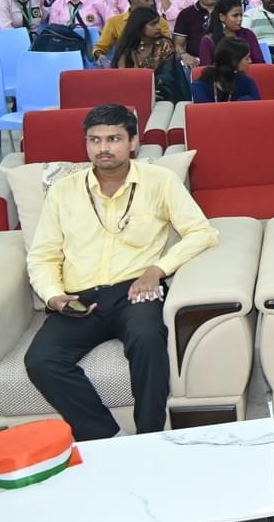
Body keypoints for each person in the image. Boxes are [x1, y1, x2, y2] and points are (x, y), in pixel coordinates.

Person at [23, 104, 219, 440]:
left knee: (147, 339)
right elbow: (42, 255)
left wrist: (158, 269)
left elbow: (203, 232)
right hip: (78, 297)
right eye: (94, 140)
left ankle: (150, 437)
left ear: (133, 142)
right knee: (41, 360)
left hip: (136, 290)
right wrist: (54, 296)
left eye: (113, 138)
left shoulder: (159, 181)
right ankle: (108, 438)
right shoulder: (63, 191)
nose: (103, 148)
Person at [198, 0, 263, 66]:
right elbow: (206, 70)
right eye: (235, 16)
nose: (240, 19)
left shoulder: (248, 34)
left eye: (241, 15)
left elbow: (259, 63)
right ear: (222, 17)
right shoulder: (208, 40)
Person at [191, 36, 259, 103]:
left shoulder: (248, 83)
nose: (250, 61)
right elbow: (202, 112)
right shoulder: (200, 86)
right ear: (233, 61)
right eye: (247, 58)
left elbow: (258, 109)